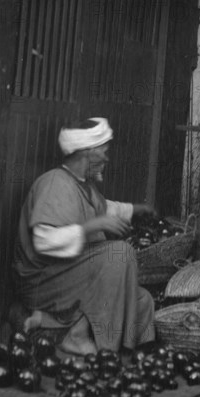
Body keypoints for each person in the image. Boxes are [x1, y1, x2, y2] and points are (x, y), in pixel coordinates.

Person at [11, 117, 156, 355]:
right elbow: (43, 241)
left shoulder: (83, 186)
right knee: (120, 253)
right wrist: (91, 227)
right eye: (104, 152)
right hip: (44, 279)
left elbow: (105, 208)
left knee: (141, 300)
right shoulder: (55, 183)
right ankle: (78, 336)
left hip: (70, 275)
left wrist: (136, 210)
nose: (107, 159)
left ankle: (49, 321)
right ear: (87, 153)